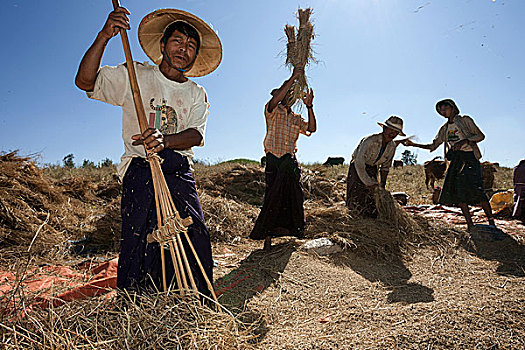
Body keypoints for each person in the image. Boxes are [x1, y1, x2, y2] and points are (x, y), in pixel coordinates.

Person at [75, 7, 222, 294]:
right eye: (178, 41)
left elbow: (196, 135)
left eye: (191, 46)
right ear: (164, 45)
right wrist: (105, 36)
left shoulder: (196, 93)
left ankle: (195, 296)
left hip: (177, 167)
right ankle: (136, 300)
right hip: (139, 165)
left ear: (195, 56)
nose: (184, 49)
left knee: (195, 232)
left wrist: (166, 142)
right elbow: (84, 82)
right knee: (138, 236)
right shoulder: (136, 75)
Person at [250, 68, 317, 250]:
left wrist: (310, 106)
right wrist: (294, 76)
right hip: (274, 161)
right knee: (272, 198)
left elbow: (312, 128)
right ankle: (267, 237)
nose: (287, 98)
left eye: (290, 96)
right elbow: (277, 98)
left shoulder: (296, 118)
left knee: (294, 197)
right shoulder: (271, 110)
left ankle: (294, 232)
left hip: (289, 162)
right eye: (284, 94)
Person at [404, 99, 494, 231]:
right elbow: (433, 145)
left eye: (445, 108)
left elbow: (480, 136)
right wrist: (413, 145)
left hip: (469, 159)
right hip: (456, 161)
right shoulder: (445, 129)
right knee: (459, 193)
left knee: (478, 191)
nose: (443, 112)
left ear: (452, 107)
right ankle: (470, 224)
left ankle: (491, 222)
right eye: (440, 110)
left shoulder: (464, 120)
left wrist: (464, 141)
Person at [346, 116, 406, 218]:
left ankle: (369, 217)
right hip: (357, 168)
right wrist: (368, 183)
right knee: (355, 194)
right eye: (390, 130)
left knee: (372, 197)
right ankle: (353, 216)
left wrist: (382, 185)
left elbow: (385, 167)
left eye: (395, 132)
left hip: (373, 168)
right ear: (384, 129)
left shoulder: (392, 147)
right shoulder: (370, 140)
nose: (392, 134)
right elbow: (359, 163)